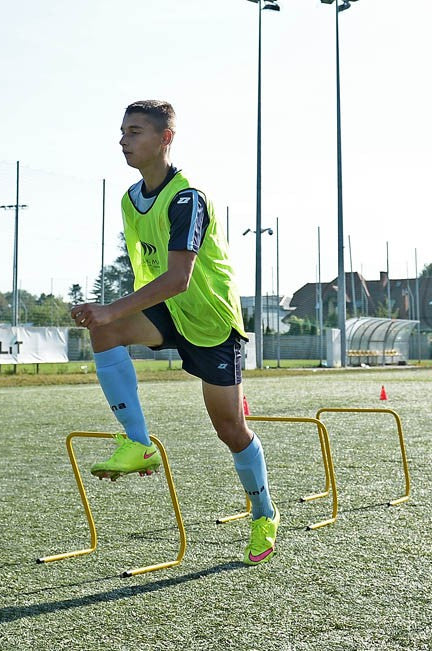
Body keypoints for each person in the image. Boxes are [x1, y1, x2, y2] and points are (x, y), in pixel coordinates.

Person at [69, 100, 278, 566]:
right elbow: (150, 270)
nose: (123, 140)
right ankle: (138, 443)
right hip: (166, 309)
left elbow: (180, 277)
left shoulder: (188, 199)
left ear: (165, 139)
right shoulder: (129, 199)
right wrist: (111, 315)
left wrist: (111, 308)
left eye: (135, 131)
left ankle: (264, 513)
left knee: (229, 429)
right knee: (105, 332)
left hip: (209, 319)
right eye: (122, 131)